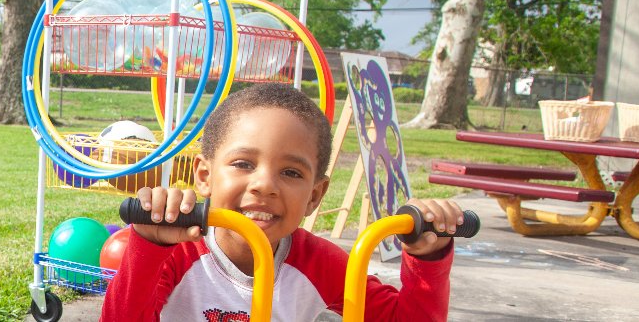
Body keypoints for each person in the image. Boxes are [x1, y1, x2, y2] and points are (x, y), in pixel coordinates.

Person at [100, 84, 466, 321]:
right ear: (205, 176)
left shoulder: (320, 264)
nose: (265, 185)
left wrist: (427, 258)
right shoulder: (179, 256)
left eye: (291, 173)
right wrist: (148, 244)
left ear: (315, 196)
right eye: (243, 164)